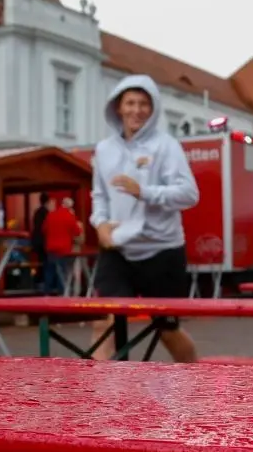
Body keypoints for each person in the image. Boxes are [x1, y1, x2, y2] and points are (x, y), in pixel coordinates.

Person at [89, 73, 200, 362]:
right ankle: (101, 390)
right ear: (118, 107)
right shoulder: (104, 150)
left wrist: (145, 192)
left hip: (162, 250)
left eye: (143, 104)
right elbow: (99, 195)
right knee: (103, 323)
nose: (136, 110)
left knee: (167, 330)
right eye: (130, 103)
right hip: (118, 249)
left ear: (152, 109)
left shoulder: (166, 146)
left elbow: (190, 194)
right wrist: (100, 224)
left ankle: (196, 378)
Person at [41, 196, 83, 295]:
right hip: (64, 249)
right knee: (63, 272)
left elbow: (44, 229)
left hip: (51, 248)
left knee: (50, 271)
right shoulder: (69, 216)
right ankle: (62, 294)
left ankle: (46, 293)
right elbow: (77, 232)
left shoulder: (51, 214)